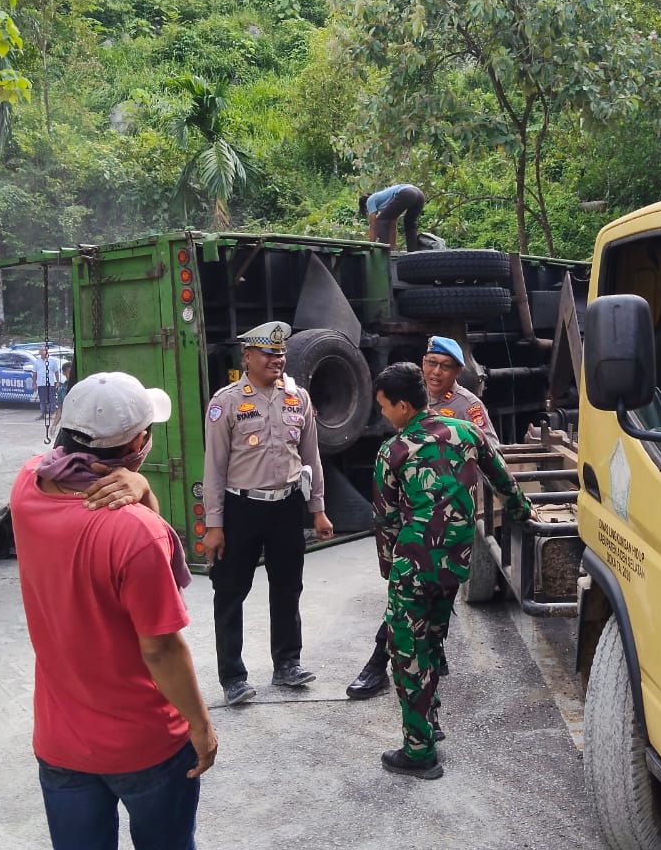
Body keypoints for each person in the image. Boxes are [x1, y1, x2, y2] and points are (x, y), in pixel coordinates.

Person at [11, 371, 217, 849]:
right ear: (140, 441)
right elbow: (162, 649)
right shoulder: (135, 533)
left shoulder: (26, 487)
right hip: (145, 744)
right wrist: (201, 727)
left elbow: (55, 471)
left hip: (60, 742)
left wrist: (141, 490)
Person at [371, 361, 534, 779]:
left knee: (407, 652)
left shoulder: (394, 451)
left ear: (404, 406)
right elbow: (504, 481)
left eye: (385, 406)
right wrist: (524, 513)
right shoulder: (466, 433)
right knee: (434, 641)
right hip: (453, 565)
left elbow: (387, 520)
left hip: (413, 566)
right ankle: (432, 723)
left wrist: (389, 568)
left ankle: (419, 751)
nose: (383, 413)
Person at [346, 335, 498, 700]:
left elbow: (488, 450)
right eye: (430, 362)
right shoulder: (410, 395)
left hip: (449, 521)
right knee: (408, 603)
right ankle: (394, 665)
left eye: (444, 366)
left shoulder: (467, 407)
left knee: (417, 605)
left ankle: (394, 669)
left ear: (458, 371)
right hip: (410, 518)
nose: (434, 371)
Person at [202, 321, 335, 707]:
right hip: (241, 508)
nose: (277, 359)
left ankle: (287, 664)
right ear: (247, 356)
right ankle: (233, 676)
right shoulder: (225, 403)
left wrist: (318, 510)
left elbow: (311, 458)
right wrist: (214, 524)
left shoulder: (299, 399)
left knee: (288, 586)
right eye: (268, 353)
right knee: (230, 592)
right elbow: (214, 467)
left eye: (281, 353)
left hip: (287, 506)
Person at [360, 184, 425, 253]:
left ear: (365, 206)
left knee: (380, 221)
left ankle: (384, 252)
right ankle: (413, 253)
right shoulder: (386, 202)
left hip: (407, 193)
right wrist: (392, 250)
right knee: (409, 224)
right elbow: (393, 228)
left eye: (367, 211)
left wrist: (370, 247)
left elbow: (373, 227)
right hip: (420, 195)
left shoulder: (370, 200)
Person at [34, 346, 63, 419]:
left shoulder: (52, 361)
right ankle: (43, 413)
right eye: (41, 350)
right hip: (41, 384)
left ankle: (52, 413)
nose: (43, 352)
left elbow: (56, 372)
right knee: (42, 399)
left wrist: (58, 381)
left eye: (44, 350)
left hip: (50, 383)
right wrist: (34, 383)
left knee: (51, 398)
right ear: (39, 352)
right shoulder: (37, 362)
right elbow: (35, 374)